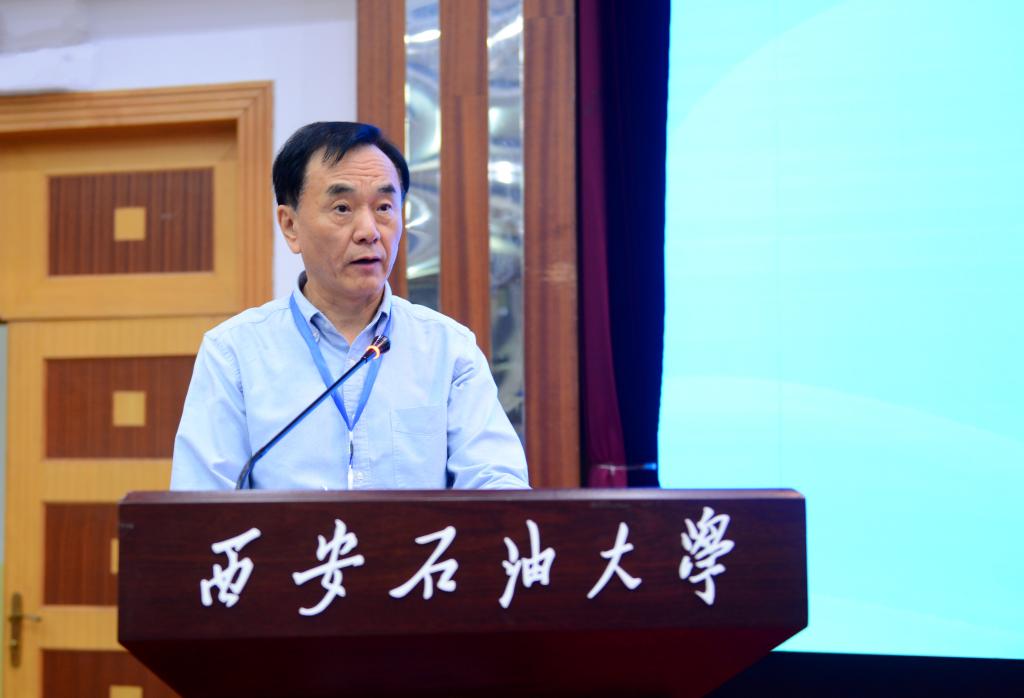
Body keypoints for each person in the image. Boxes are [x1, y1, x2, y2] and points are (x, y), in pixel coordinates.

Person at [171, 122, 529, 490]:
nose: (369, 231)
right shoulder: (233, 353)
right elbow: (201, 500)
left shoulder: (449, 349)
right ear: (290, 226)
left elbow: (498, 487)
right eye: (342, 208)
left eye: (384, 207)